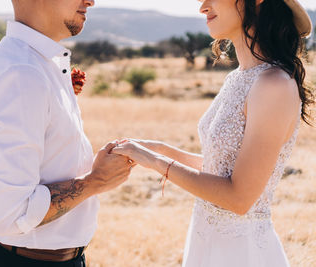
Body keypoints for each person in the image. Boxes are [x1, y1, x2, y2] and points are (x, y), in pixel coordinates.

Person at [111, 0, 314, 266]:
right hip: (206, 241)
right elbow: (221, 169)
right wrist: (160, 150)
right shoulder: (239, 77)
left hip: (242, 252)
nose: (203, 7)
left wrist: (156, 162)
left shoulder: (274, 84)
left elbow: (239, 198)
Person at [0, 0, 134, 266]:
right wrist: (96, 180)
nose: (91, 1)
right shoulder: (22, 73)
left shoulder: (38, 64)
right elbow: (13, 212)